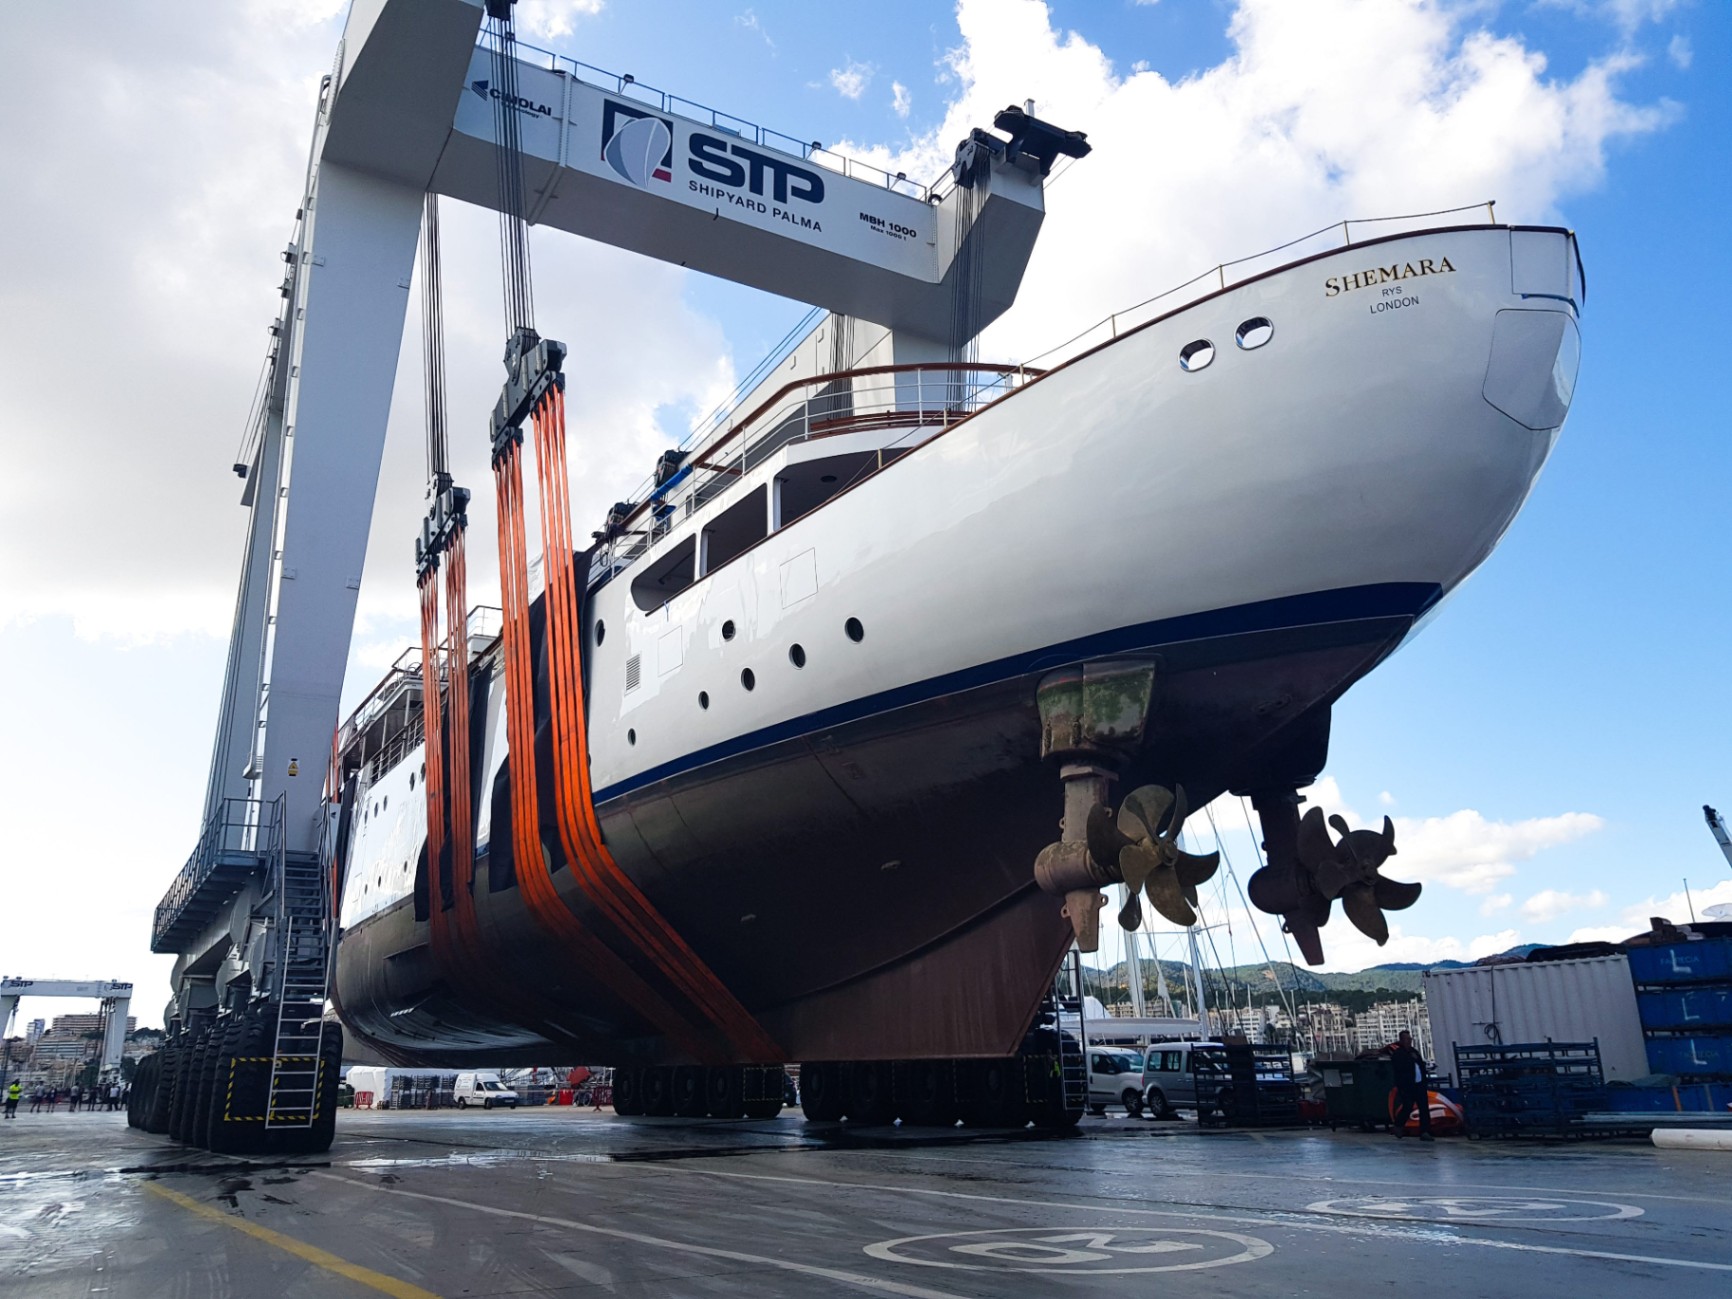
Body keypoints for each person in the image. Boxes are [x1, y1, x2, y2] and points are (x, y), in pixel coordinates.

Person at [1389, 1030, 1433, 1141]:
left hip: (1419, 1084)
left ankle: (1425, 1131)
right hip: (1407, 1086)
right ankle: (1398, 1125)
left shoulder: (1414, 1052)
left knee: (1424, 1108)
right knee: (1407, 1106)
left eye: (1410, 1039)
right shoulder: (1398, 1054)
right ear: (1402, 1040)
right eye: (1407, 1039)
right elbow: (1400, 1069)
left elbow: (1420, 1065)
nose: (1409, 1041)